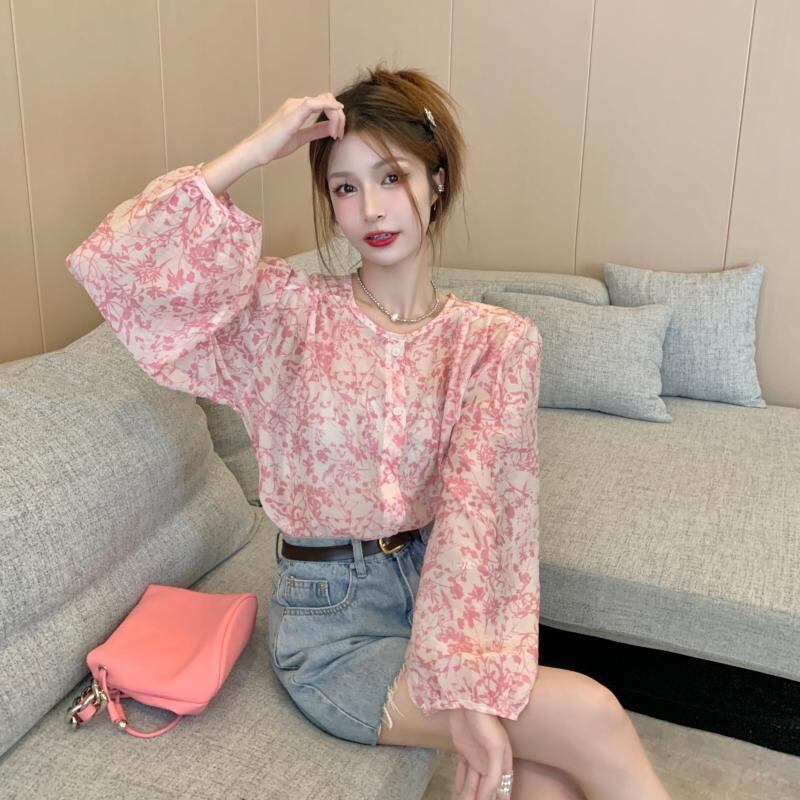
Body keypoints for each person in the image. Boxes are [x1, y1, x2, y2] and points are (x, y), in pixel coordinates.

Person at [66, 63, 671, 800]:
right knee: (589, 713)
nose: (371, 208)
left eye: (392, 177)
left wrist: (469, 682)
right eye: (345, 187)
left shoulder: (494, 341)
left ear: (436, 181)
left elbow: (483, 516)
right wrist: (257, 149)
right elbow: (120, 266)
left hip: (432, 596)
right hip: (329, 628)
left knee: (544, 774)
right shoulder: (286, 312)